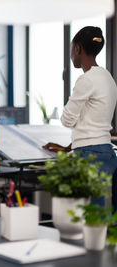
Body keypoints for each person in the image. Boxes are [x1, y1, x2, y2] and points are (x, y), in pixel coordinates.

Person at [60, 26, 117, 209]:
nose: (71, 56)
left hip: (88, 154)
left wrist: (77, 118)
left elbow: (66, 120)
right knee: (100, 220)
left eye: (71, 50)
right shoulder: (107, 77)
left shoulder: (86, 80)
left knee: (89, 220)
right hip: (107, 153)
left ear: (78, 49)